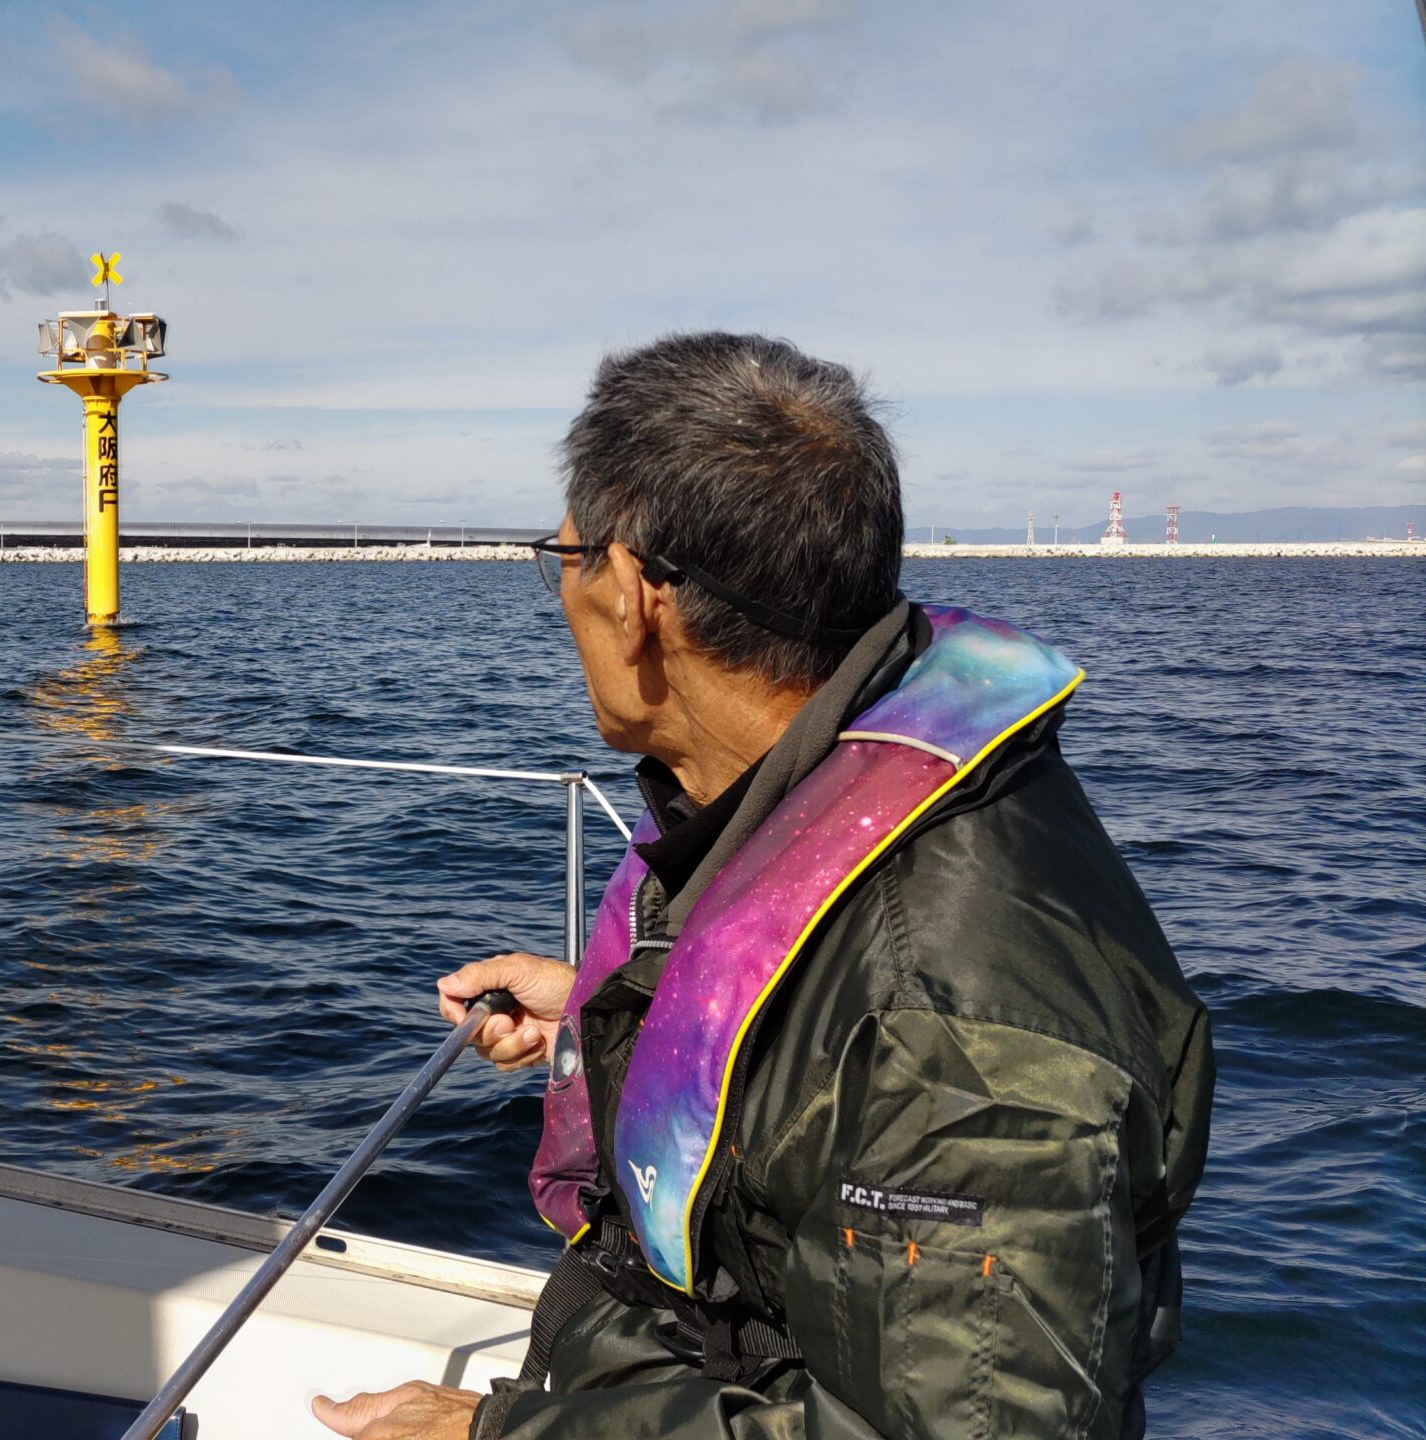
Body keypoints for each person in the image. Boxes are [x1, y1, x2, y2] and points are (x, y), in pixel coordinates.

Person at [312, 333, 1212, 1440]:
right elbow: (808, 1062)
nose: (562, 595)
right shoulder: (806, 788)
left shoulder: (949, 1027)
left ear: (635, 595)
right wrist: (608, 1013)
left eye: (566, 560)